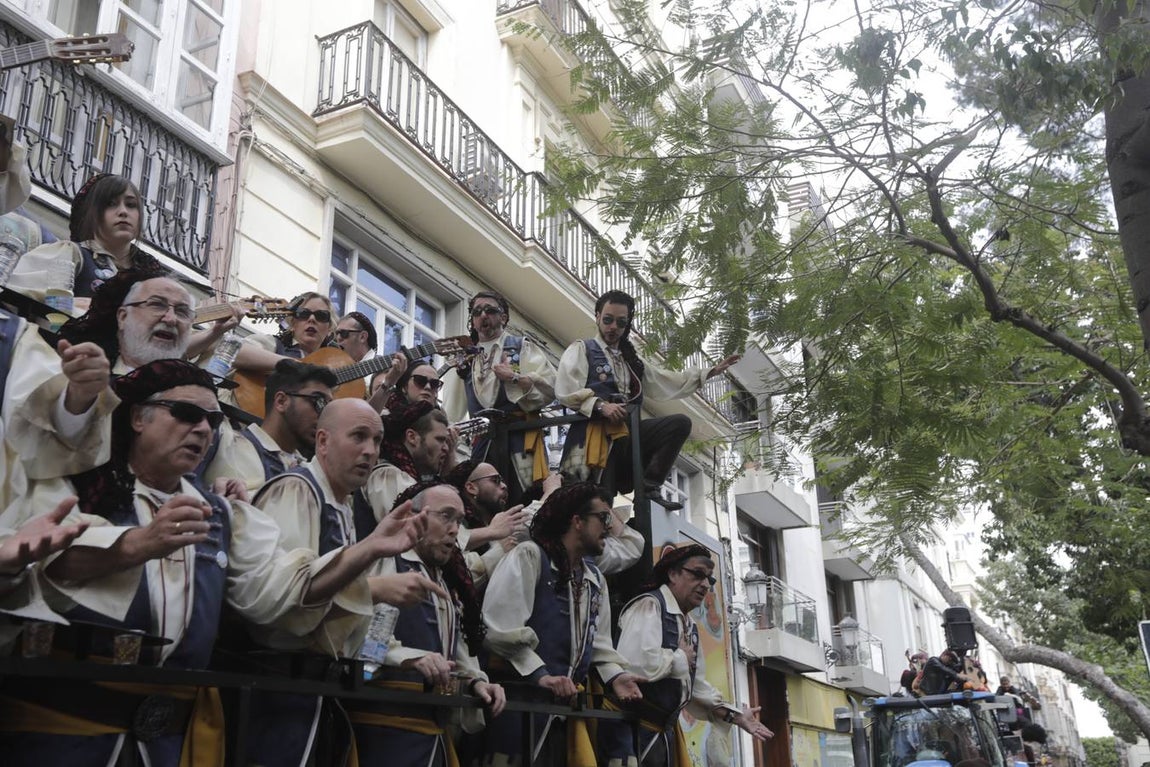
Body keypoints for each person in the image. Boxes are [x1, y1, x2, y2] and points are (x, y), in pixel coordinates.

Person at [0, 360, 426, 767]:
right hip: (59, 730)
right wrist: (134, 545)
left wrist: (367, 550)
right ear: (138, 418)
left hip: (171, 742)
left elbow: (276, 594)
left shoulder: (222, 513)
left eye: (213, 420)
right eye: (186, 413)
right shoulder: (78, 487)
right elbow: (39, 564)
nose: (202, 428)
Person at [482, 481, 645, 766]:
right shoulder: (529, 556)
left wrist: (616, 677)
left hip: (563, 716)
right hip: (517, 710)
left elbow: (600, 644)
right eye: (603, 518)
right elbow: (499, 627)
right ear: (577, 521)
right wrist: (540, 674)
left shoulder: (595, 579)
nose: (609, 527)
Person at [348, 481, 506, 765]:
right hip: (385, 735)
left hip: (433, 737)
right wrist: (411, 658)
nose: (455, 529)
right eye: (446, 516)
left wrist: (475, 682)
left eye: (459, 520)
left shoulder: (443, 580)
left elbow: (454, 646)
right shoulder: (388, 563)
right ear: (413, 517)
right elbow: (365, 641)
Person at [555, 290, 739, 511]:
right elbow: (566, 389)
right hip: (593, 439)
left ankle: (648, 489)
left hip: (626, 439)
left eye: (620, 322)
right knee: (596, 503)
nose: (613, 327)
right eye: (608, 319)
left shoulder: (632, 361)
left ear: (627, 325)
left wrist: (709, 372)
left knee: (679, 423)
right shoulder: (582, 349)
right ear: (597, 317)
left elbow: (668, 380)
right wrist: (601, 405)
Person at [600, 545, 773, 766]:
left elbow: (695, 688)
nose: (704, 585)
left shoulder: (689, 624)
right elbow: (633, 665)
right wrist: (679, 659)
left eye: (709, 580)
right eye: (698, 574)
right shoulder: (649, 605)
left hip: (658, 735)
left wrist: (734, 715)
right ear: (672, 574)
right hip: (630, 733)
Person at [441, 291, 556, 500]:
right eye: (477, 312)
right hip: (483, 441)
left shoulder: (521, 347)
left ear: (503, 317)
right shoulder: (465, 358)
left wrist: (514, 378)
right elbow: (452, 410)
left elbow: (551, 387)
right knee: (482, 501)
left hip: (519, 437)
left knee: (526, 497)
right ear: (473, 322)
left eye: (490, 310)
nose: (483, 315)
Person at [7, 174, 165, 306]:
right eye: (111, 204)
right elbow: (16, 292)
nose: (123, 211)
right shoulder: (70, 253)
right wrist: (74, 305)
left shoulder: (154, 278)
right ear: (92, 214)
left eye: (131, 205)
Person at [57, 269, 235, 372]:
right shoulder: (79, 374)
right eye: (157, 305)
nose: (171, 319)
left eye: (182, 311)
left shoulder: (200, 401)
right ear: (123, 317)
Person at [202, 359, 338, 492]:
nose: (325, 415)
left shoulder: (313, 478)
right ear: (281, 401)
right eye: (319, 402)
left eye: (329, 407)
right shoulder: (224, 443)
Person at [355, 404, 453, 538]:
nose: (446, 448)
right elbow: (424, 537)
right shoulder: (386, 476)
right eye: (440, 440)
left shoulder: (407, 475)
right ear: (412, 437)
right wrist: (490, 532)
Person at [233, 291, 336, 373]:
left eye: (321, 316)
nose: (312, 319)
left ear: (329, 328)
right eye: (304, 313)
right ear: (292, 323)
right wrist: (296, 365)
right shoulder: (272, 344)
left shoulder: (332, 364)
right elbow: (234, 351)